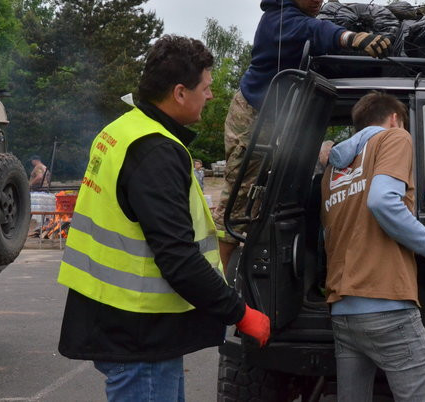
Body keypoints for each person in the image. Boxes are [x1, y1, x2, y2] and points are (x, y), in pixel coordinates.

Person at [56, 35, 270, 401]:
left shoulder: (122, 130)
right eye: (206, 87)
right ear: (180, 92)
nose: (211, 96)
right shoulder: (155, 151)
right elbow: (178, 256)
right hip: (140, 334)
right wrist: (240, 313)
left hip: (122, 323)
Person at [213, 0, 391, 270]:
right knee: (239, 199)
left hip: (282, 119)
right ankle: (221, 274)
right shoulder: (278, 20)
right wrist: (352, 38)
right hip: (252, 116)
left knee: (272, 198)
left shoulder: (304, 15)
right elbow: (316, 30)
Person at [320, 91, 425, 401]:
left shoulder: (333, 170)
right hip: (386, 303)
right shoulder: (395, 138)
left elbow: (335, 233)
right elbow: (382, 201)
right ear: (394, 119)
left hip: (344, 310)